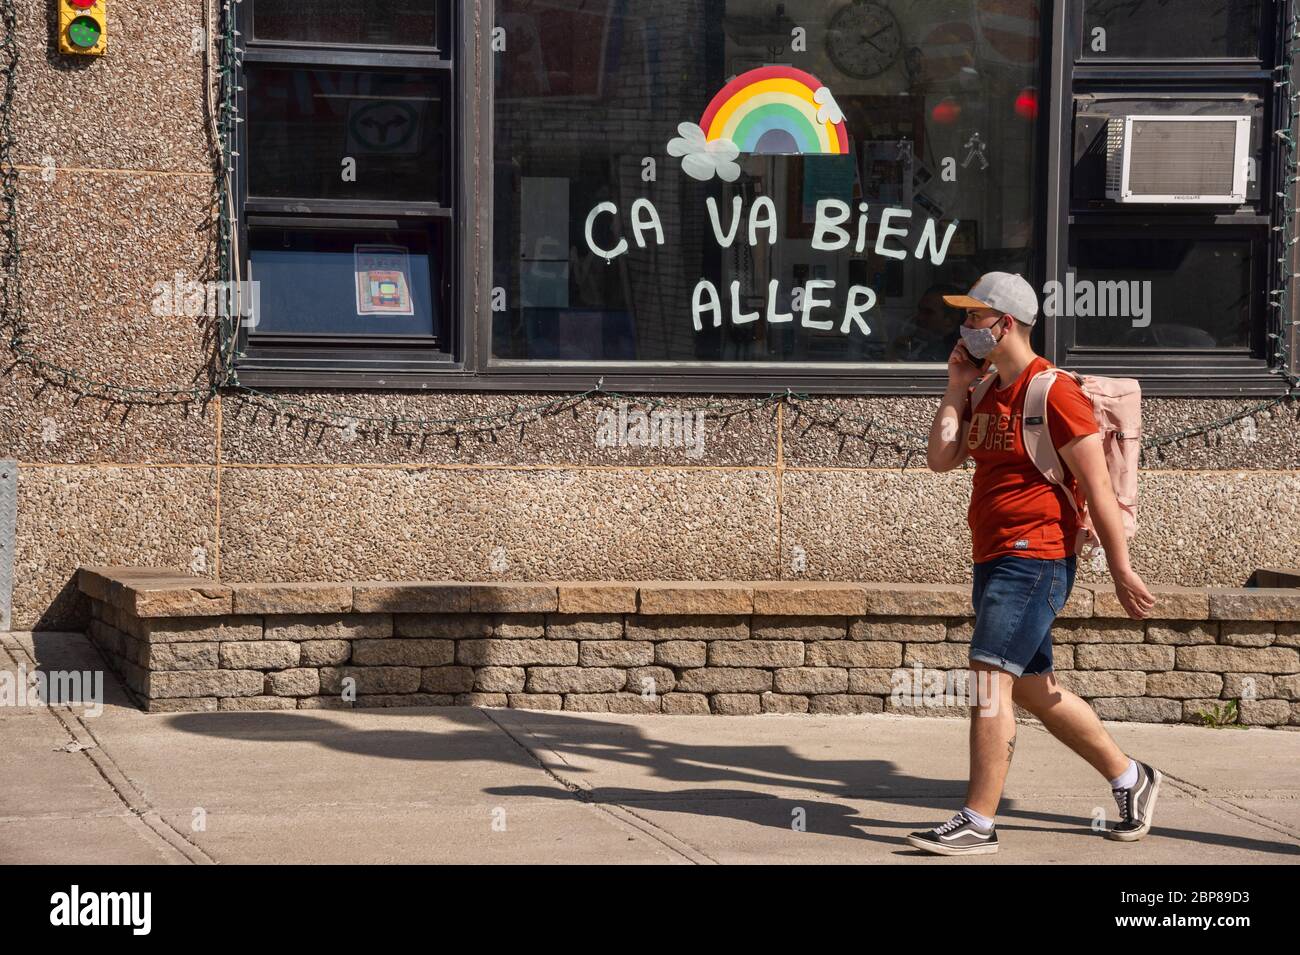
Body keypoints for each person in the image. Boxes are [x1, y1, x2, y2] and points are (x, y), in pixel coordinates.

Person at [912, 271, 1160, 856]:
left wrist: (1121, 569)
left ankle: (978, 820)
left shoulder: (1055, 393)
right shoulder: (985, 388)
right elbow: (941, 459)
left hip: (1038, 556)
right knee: (1032, 687)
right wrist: (954, 386)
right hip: (993, 555)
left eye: (975, 317)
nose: (966, 327)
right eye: (966, 318)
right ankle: (1130, 778)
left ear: (1008, 323)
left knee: (988, 680)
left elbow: (1098, 487)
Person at [887, 283, 967, 362]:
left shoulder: (954, 352)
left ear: (949, 320)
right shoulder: (919, 342)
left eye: (928, 312)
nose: (920, 317)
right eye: (920, 310)